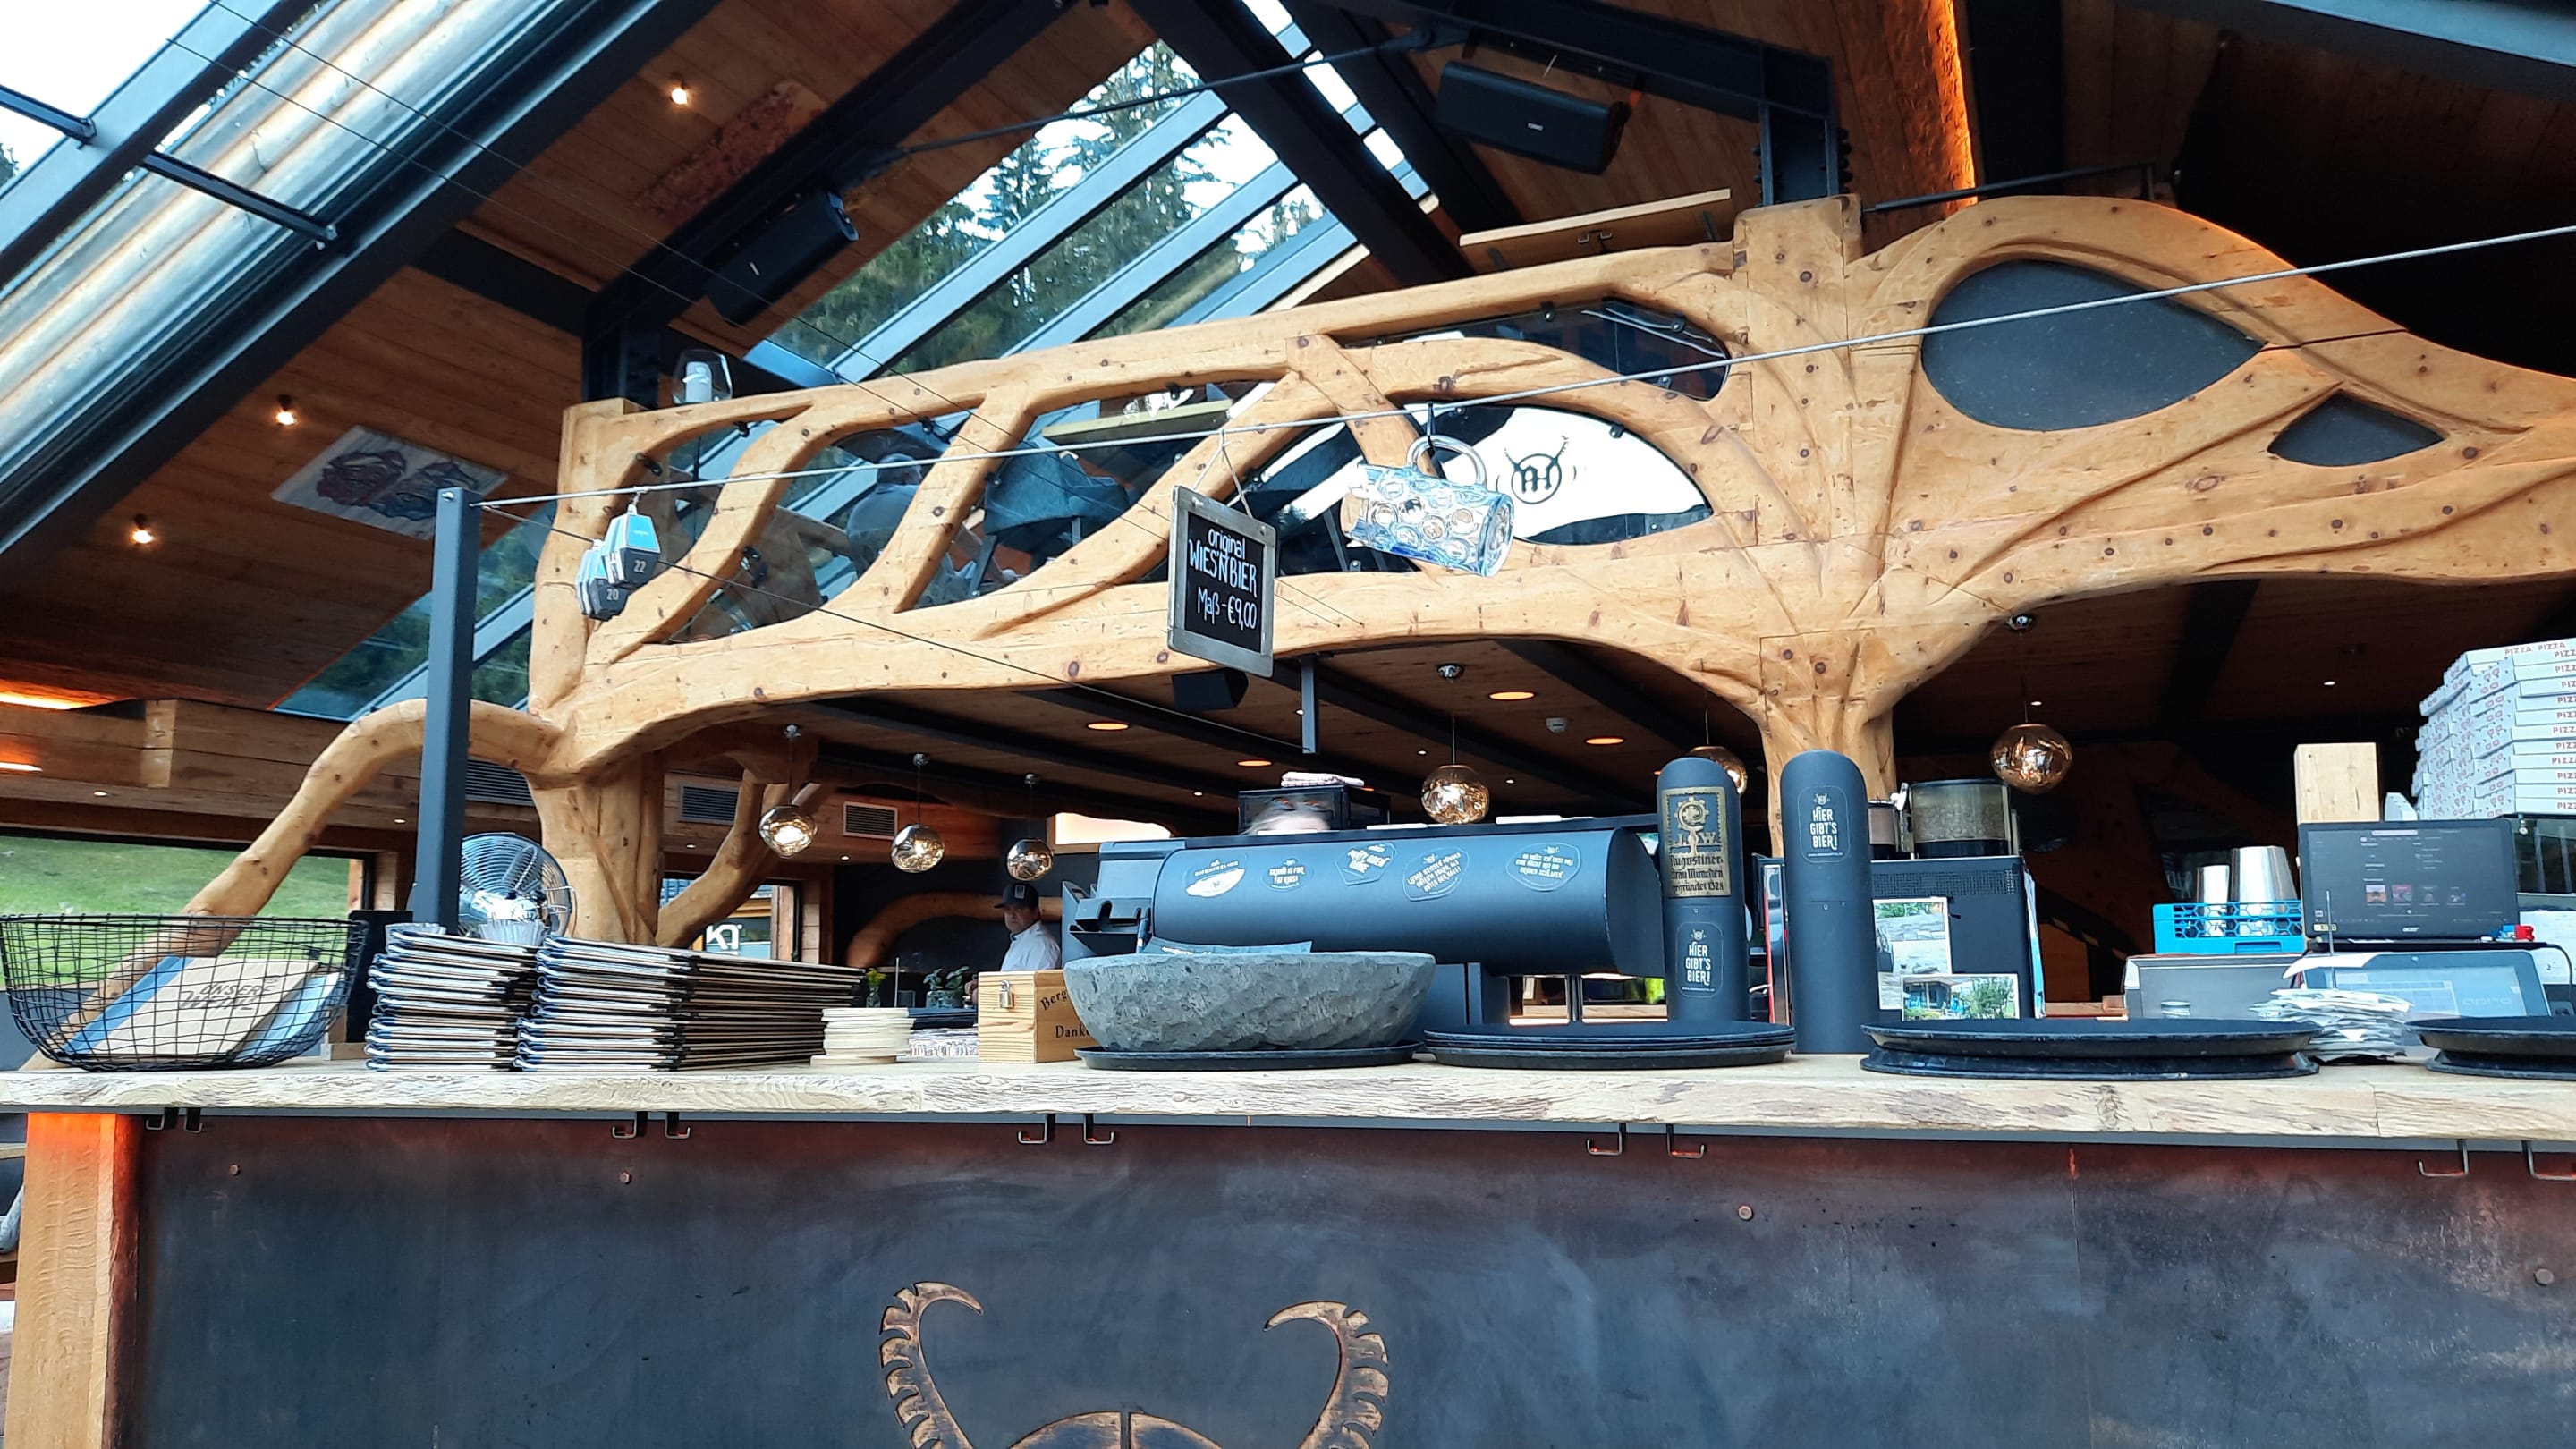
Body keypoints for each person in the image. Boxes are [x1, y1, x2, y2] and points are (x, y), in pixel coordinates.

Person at [996, 881, 1061, 973]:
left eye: (1019, 909)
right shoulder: (1022, 939)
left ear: (1035, 912)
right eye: (1008, 909)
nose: (1012, 915)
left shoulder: (1041, 944)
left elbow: (1040, 982)